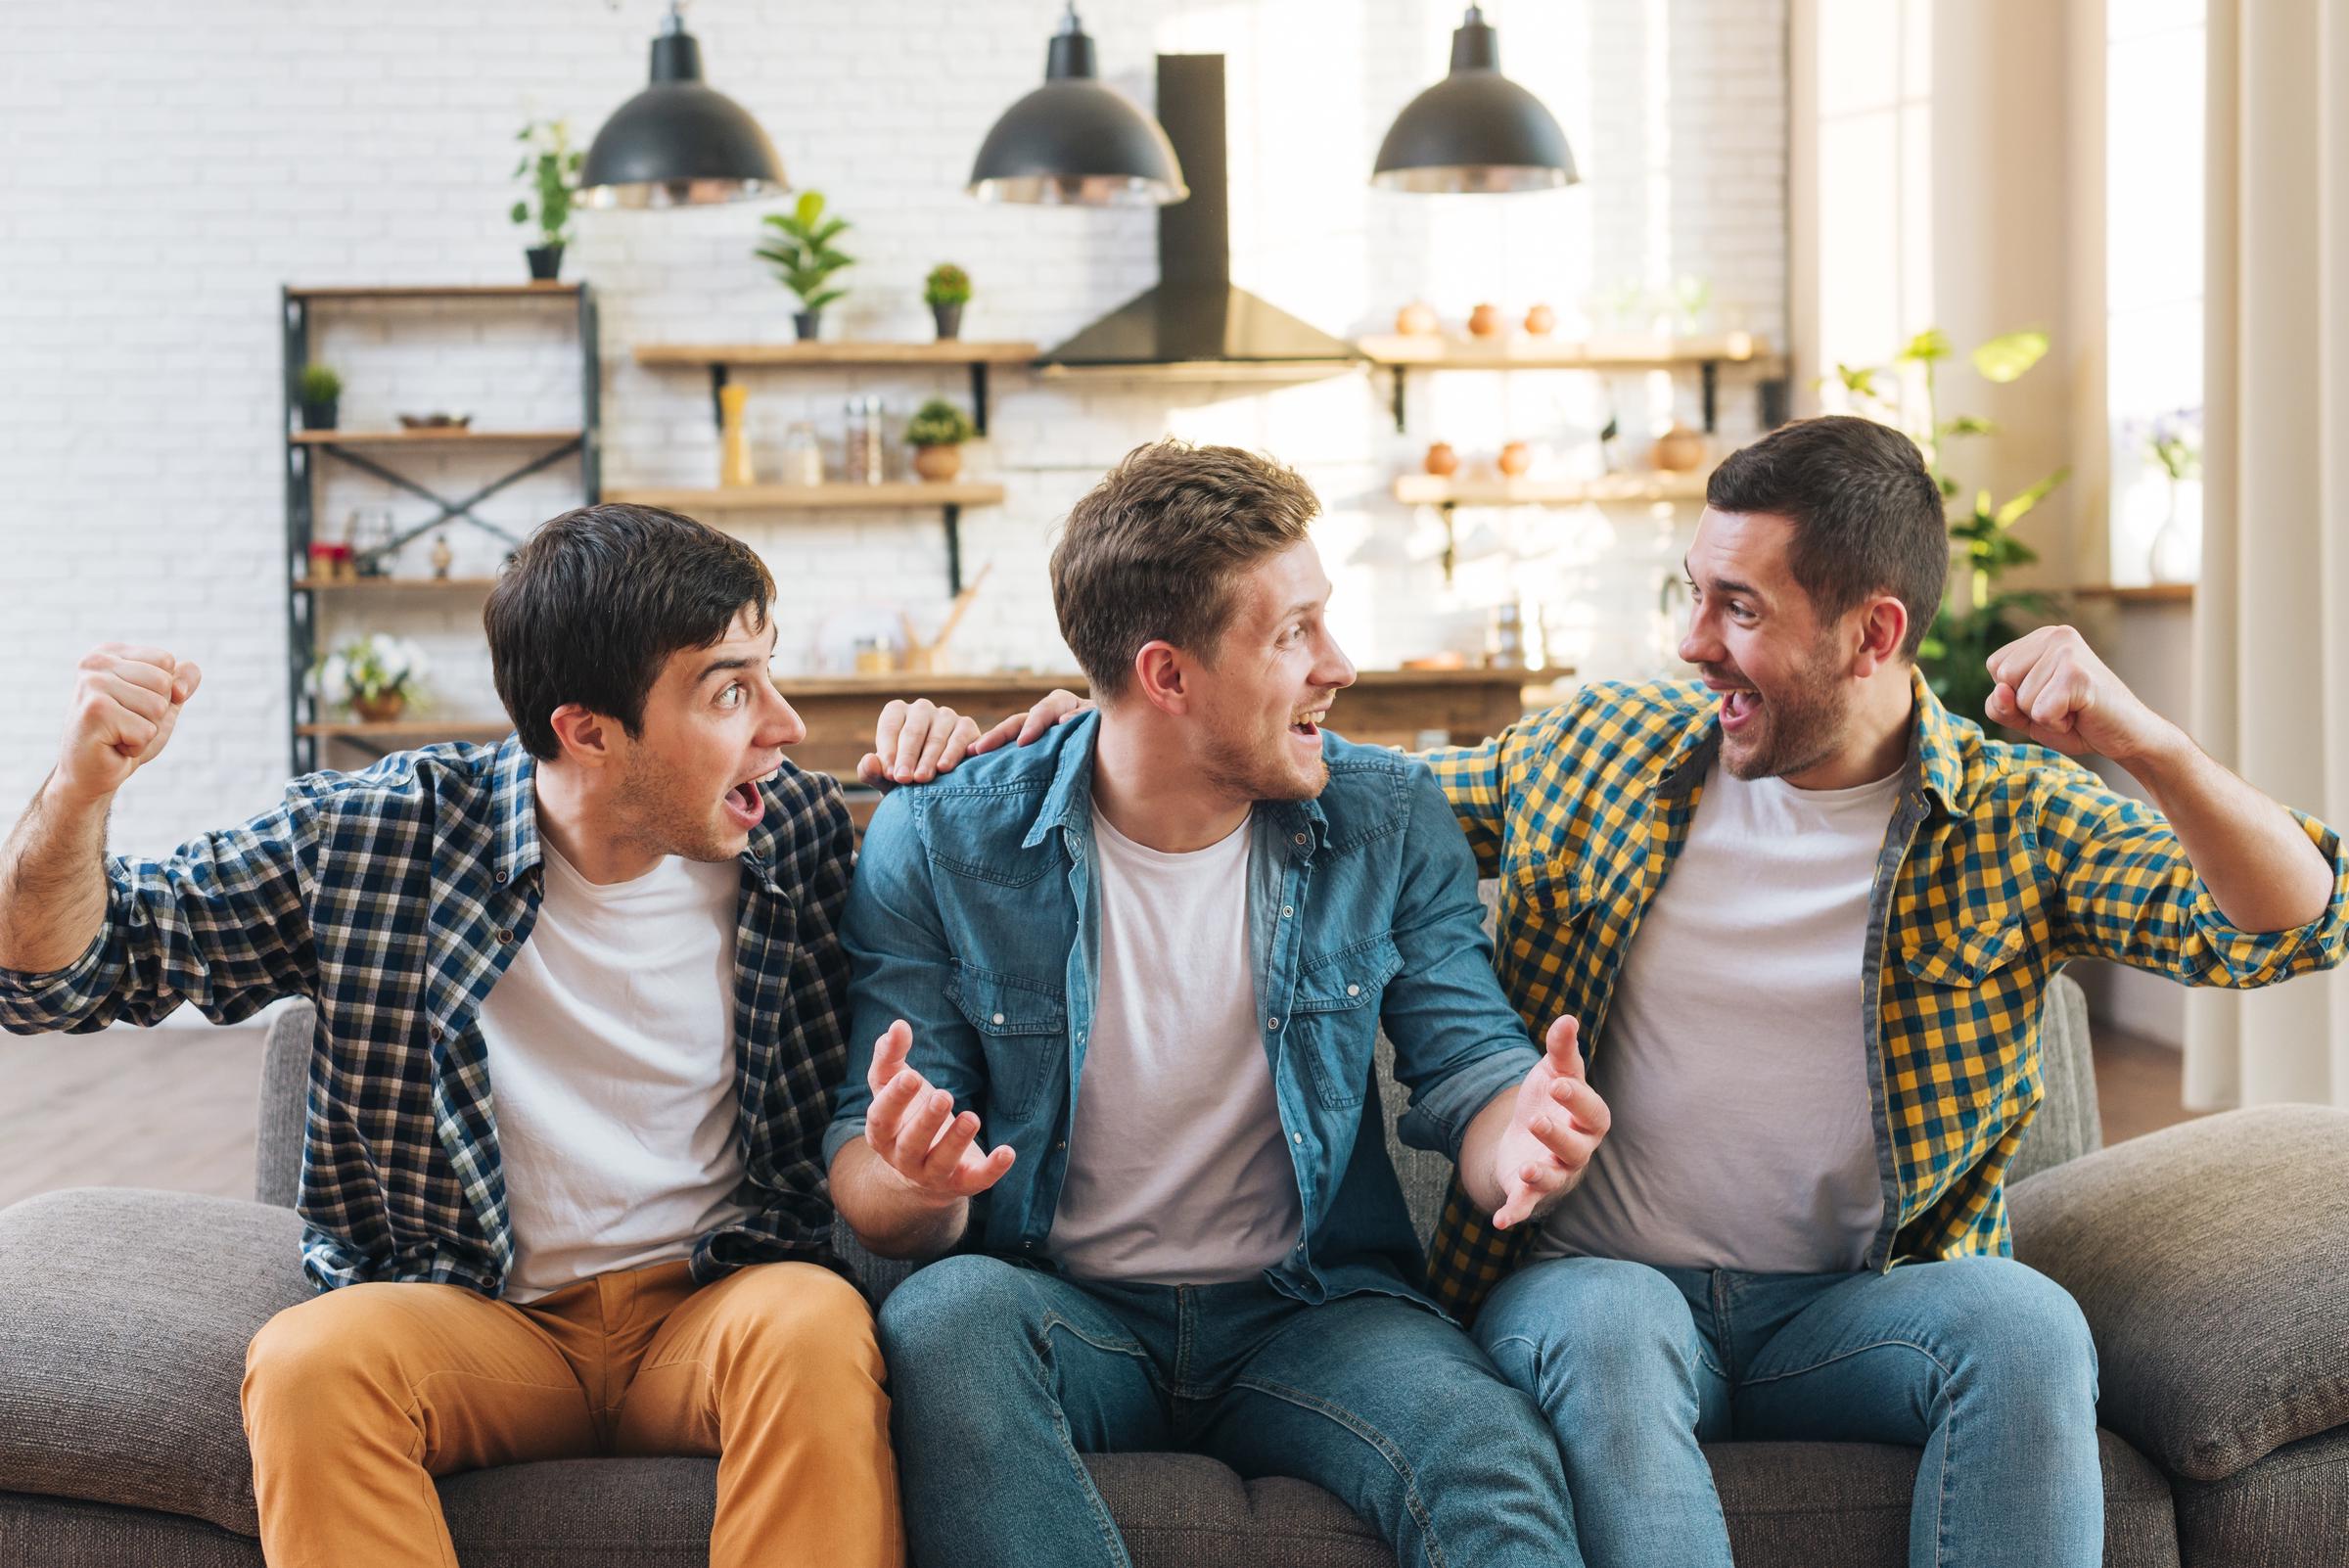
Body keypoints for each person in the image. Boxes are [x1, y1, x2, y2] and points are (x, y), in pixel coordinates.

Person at [882, 415, 2349, 1568]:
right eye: (1691, 595)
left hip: (1861, 1301)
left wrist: (2147, 742)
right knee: (1595, 1323)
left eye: (1737, 608)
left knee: (2027, 1322)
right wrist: (1105, 733)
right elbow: (1318, 793)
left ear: (1875, 633)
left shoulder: (2019, 819)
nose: (1694, 640)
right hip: (1602, 1285)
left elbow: (2291, 927)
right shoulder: (1602, 752)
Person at [0, 502, 985, 1568]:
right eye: (731, 689)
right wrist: (80, 789)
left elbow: (1032, 850)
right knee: (308, 1364)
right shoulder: (377, 838)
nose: (785, 725)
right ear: (588, 730)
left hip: (716, 1304)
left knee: (814, 1325)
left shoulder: (789, 832)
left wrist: (1050, 745)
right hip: (481, 1321)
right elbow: (58, 980)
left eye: (768, 672)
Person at [828, 440, 1603, 1568]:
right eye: (1294, 632)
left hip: (1315, 1311)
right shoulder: (945, 838)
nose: (1338, 664)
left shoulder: (1385, 819)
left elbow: (1474, 1073)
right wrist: (914, 1183)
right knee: (943, 1321)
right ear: (1168, 675)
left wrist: (1523, 1137)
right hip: (1066, 1308)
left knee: (1488, 1450)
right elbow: (871, 1168)